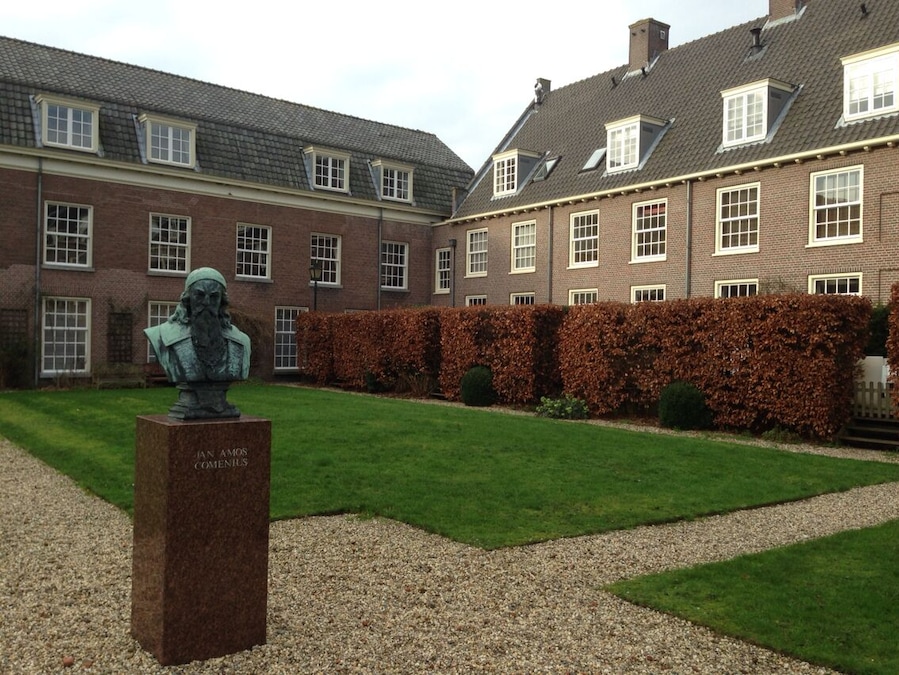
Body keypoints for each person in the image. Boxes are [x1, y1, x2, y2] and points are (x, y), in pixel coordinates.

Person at [145, 267, 251, 419]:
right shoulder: (161, 335)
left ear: (222, 301)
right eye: (199, 296)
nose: (206, 303)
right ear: (188, 299)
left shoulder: (241, 342)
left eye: (214, 297)